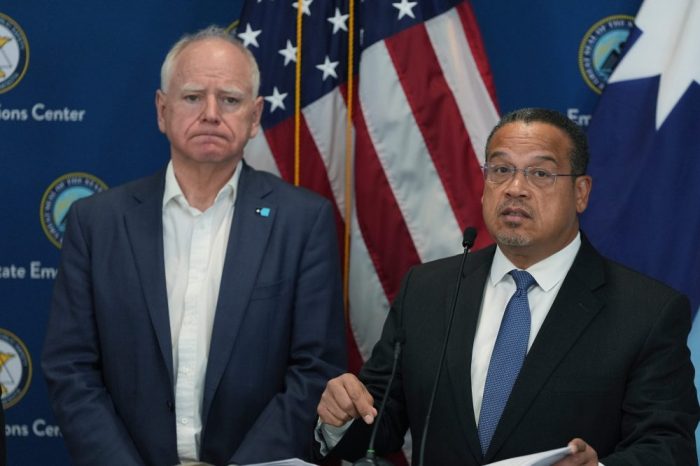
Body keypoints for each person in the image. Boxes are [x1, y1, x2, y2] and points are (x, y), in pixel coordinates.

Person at [316, 108, 699, 465]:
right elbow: (379, 421)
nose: (515, 188)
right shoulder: (427, 290)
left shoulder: (646, 312)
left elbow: (669, 446)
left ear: (581, 192)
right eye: (501, 170)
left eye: (540, 173)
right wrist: (342, 416)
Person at [42, 26, 346, 466]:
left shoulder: (303, 222)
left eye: (230, 99)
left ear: (255, 116)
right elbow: (71, 369)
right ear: (162, 110)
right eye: (192, 97)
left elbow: (315, 370)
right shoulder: (97, 222)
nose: (210, 114)